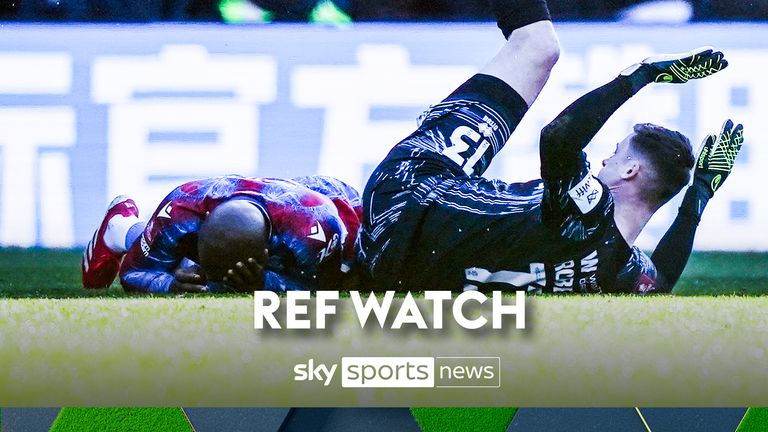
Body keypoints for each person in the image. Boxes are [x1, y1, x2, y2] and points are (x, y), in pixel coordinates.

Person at [356, 0, 742, 293]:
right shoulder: (616, 270)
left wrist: (638, 76)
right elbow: (661, 281)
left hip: (408, 194)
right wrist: (699, 193)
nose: (604, 160)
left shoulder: (591, 212)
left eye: (616, 153)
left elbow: (558, 139)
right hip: (401, 269)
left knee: (538, 46)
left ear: (630, 171)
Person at [82, 175, 362, 293]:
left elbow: (323, 291)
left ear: (266, 254)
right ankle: (120, 226)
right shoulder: (181, 209)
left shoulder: (314, 231)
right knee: (166, 253)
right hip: (270, 203)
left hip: (337, 203)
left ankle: (121, 229)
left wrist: (265, 282)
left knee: (357, 279)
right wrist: (170, 284)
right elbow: (133, 273)